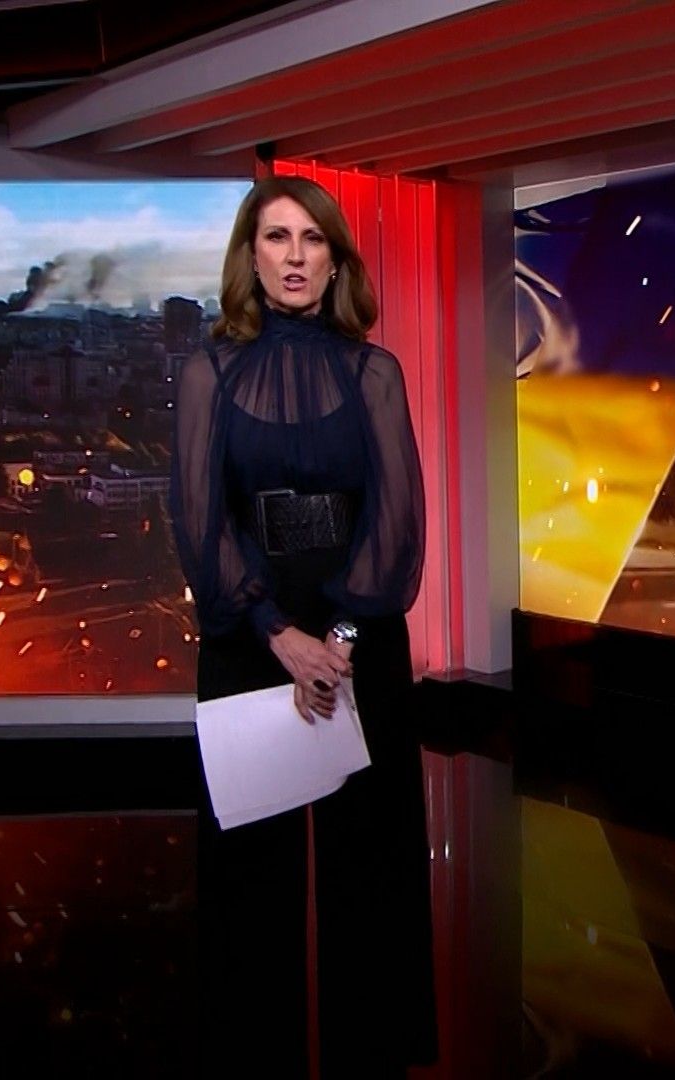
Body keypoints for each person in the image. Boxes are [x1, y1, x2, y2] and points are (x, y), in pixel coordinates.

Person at [172, 175, 437, 1078]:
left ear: (334, 261)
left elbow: (396, 519)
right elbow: (199, 519)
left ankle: (374, 1051)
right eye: (277, 237)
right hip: (250, 629)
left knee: (372, 860)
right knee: (250, 868)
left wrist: (344, 640)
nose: (294, 256)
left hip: (359, 630)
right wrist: (277, 632)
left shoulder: (375, 372)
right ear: (251, 258)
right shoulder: (207, 373)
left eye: (312, 239)